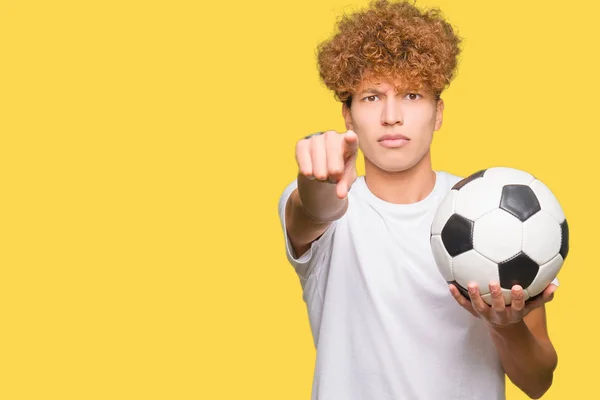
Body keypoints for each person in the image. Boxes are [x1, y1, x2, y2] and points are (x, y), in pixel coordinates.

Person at [277, 0, 559, 399]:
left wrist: (504, 325)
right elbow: (314, 210)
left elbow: (538, 383)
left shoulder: (496, 209)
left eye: (411, 95)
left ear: (438, 112)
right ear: (348, 115)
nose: (391, 115)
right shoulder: (324, 205)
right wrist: (319, 180)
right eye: (372, 97)